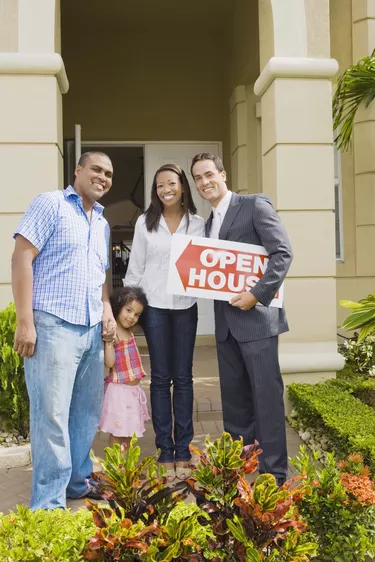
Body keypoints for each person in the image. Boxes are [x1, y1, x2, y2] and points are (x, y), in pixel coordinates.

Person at [11, 152, 116, 510]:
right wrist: (25, 321)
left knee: (85, 413)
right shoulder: (50, 204)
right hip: (53, 325)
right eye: (96, 170)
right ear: (78, 171)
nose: (102, 177)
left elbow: (99, 276)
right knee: (51, 415)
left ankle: (76, 482)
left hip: (90, 330)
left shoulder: (101, 223)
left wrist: (107, 311)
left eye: (108, 174)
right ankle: (47, 505)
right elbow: (21, 257)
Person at [191, 152, 293, 486]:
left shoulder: (254, 206)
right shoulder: (208, 224)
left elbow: (282, 253)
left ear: (222, 174)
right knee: (235, 404)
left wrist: (256, 294)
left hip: (258, 322)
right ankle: (240, 470)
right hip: (226, 327)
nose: (205, 182)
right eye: (198, 178)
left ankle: (274, 475)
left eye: (209, 174)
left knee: (265, 399)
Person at [125, 163, 204, 481]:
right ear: (155, 190)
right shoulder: (145, 223)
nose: (165, 189)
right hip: (155, 306)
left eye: (171, 183)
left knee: (183, 378)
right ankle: (165, 450)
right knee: (160, 379)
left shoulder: (198, 224)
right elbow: (135, 267)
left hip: (186, 306)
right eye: (159, 185)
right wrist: (129, 311)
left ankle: (183, 449)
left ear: (182, 186)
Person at [100, 286, 150, 448]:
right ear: (118, 307)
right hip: (119, 393)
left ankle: (125, 470)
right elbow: (109, 363)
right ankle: (116, 468)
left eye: (136, 314)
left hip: (132, 393)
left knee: (128, 435)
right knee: (117, 434)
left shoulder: (129, 332)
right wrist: (109, 343)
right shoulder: (114, 332)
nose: (132, 317)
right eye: (128, 310)